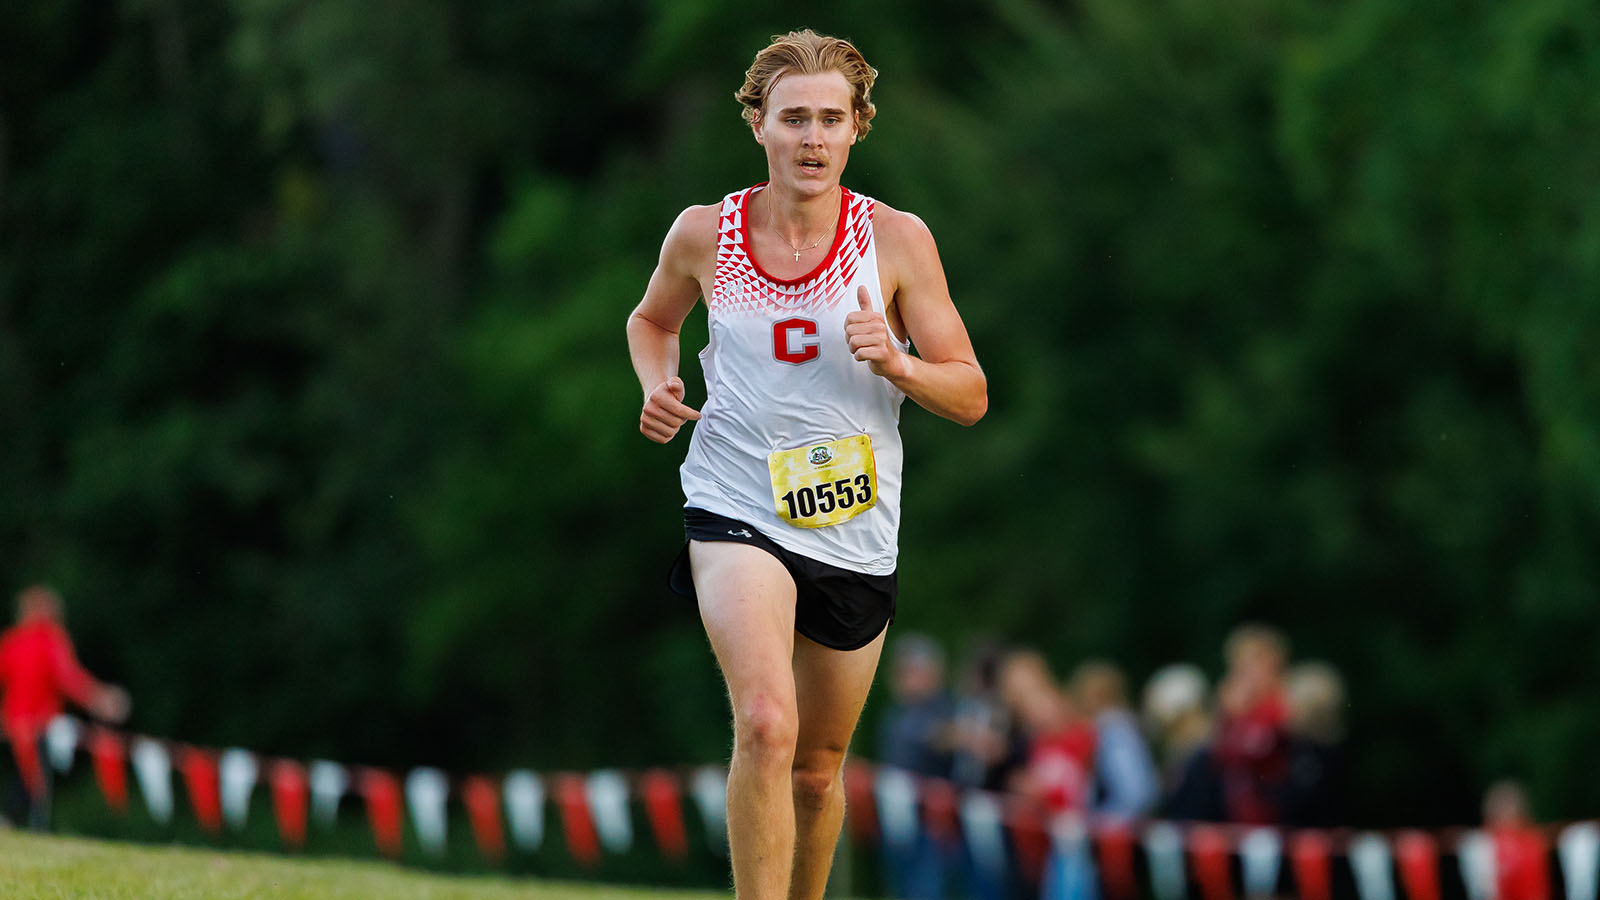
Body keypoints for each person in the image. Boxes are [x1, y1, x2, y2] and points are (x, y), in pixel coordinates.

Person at [626, 28, 986, 900]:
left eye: (830, 119)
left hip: (852, 524)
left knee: (819, 772)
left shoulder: (896, 240)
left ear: (858, 127)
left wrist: (899, 364)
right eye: (793, 119)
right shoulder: (705, 233)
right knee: (764, 721)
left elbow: (971, 392)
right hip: (735, 501)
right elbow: (652, 321)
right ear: (758, 125)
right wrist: (658, 383)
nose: (812, 138)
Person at [0, 585, 131, 827]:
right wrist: (99, 698)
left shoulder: (12, 640)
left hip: (17, 722)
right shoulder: (51, 639)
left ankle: (13, 821)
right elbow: (69, 678)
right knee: (35, 782)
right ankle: (22, 824)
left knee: (30, 778)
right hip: (39, 723)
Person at [1068, 660, 1158, 820]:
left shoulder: (1115, 733)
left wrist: (1100, 822)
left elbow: (1135, 794)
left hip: (1120, 830)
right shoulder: (1118, 730)